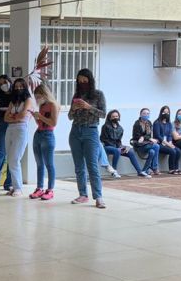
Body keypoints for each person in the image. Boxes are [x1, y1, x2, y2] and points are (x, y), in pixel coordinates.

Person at [67, 67, 106, 207]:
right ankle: (83, 194)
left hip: (91, 131)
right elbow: (70, 117)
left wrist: (88, 107)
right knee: (79, 166)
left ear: (90, 80)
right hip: (75, 131)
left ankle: (98, 197)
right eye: (80, 80)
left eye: (85, 80)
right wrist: (73, 109)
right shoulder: (76, 95)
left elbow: (103, 114)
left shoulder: (98, 94)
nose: (82, 82)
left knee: (92, 165)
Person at [3, 77, 36, 197]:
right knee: (10, 159)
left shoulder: (28, 100)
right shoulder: (13, 101)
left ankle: (18, 188)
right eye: (16, 87)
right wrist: (15, 117)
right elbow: (5, 118)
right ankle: (14, 186)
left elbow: (22, 116)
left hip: (21, 129)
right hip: (10, 129)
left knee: (15, 159)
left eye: (21, 86)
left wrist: (13, 116)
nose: (18, 89)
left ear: (25, 88)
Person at [30, 82, 59, 199]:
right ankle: (39, 188)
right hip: (38, 134)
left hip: (48, 135)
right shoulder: (42, 106)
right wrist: (35, 117)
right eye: (36, 97)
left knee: (49, 164)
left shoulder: (53, 105)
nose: (37, 99)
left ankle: (50, 190)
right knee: (39, 164)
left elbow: (53, 123)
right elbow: (41, 123)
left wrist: (40, 116)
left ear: (44, 94)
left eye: (38, 96)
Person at [101, 110, 148, 178]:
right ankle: (114, 171)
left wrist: (123, 147)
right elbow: (104, 139)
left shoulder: (120, 128)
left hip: (116, 147)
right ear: (110, 118)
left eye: (116, 116)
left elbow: (119, 141)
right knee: (117, 150)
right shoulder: (105, 126)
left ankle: (139, 171)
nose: (115, 118)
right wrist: (118, 147)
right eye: (113, 116)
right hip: (107, 147)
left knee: (130, 151)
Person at [131, 108, 161, 175]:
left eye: (147, 113)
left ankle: (145, 170)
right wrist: (146, 138)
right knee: (156, 146)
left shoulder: (149, 123)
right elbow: (136, 136)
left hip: (147, 144)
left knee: (152, 151)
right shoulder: (137, 124)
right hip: (139, 146)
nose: (146, 115)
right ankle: (154, 167)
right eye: (144, 113)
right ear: (140, 114)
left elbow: (148, 135)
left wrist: (144, 137)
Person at [153, 105, 181, 174]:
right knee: (172, 151)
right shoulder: (157, 123)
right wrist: (168, 144)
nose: (166, 114)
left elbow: (169, 135)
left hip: (167, 143)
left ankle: (176, 168)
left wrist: (170, 142)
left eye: (167, 112)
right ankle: (171, 169)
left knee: (178, 150)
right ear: (161, 113)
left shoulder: (169, 123)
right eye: (164, 112)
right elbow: (158, 136)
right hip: (160, 144)